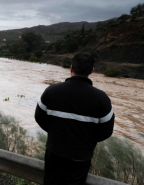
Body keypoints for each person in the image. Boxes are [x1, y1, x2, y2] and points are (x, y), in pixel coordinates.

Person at [35, 52, 115, 185]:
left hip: (54, 151)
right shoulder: (101, 98)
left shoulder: (52, 91)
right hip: (81, 157)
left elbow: (39, 117)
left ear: (71, 68)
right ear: (92, 70)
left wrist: (55, 133)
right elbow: (106, 131)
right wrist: (87, 140)